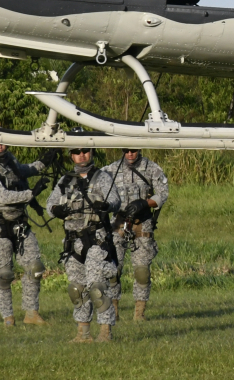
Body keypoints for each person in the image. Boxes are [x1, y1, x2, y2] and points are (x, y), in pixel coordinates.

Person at [0, 141, 57, 326]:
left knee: (35, 267)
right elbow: (2, 196)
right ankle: (8, 317)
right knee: (3, 274)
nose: (0, 146)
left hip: (19, 224)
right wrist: (30, 194)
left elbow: (23, 171)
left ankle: (31, 313)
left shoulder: (10, 160)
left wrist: (44, 162)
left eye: (3, 142)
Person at [47, 147, 122, 343]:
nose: (81, 155)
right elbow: (50, 204)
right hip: (73, 242)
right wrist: (56, 209)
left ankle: (105, 332)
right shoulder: (64, 180)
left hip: (96, 237)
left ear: (91, 152)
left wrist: (106, 206)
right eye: (77, 151)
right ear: (71, 155)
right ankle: (83, 333)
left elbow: (115, 200)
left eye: (85, 150)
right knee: (77, 289)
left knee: (97, 287)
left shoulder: (102, 177)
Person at [103, 147, 168, 322]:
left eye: (133, 150)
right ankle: (114, 312)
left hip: (142, 223)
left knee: (142, 272)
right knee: (113, 272)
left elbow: (163, 193)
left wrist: (145, 203)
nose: (130, 154)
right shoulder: (110, 170)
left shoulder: (151, 167)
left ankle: (139, 314)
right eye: (126, 150)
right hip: (118, 222)